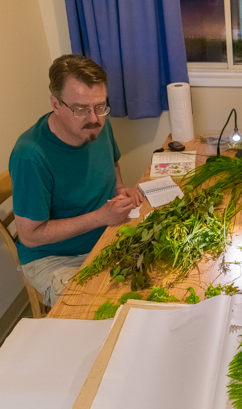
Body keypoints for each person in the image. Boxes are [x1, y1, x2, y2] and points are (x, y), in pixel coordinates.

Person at [9, 54, 144, 307]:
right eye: (81, 109)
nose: (93, 118)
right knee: (101, 309)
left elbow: (112, 162)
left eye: (100, 106)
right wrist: (101, 217)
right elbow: (30, 236)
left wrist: (119, 188)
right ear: (56, 104)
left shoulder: (98, 125)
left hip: (106, 235)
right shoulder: (30, 156)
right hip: (56, 258)